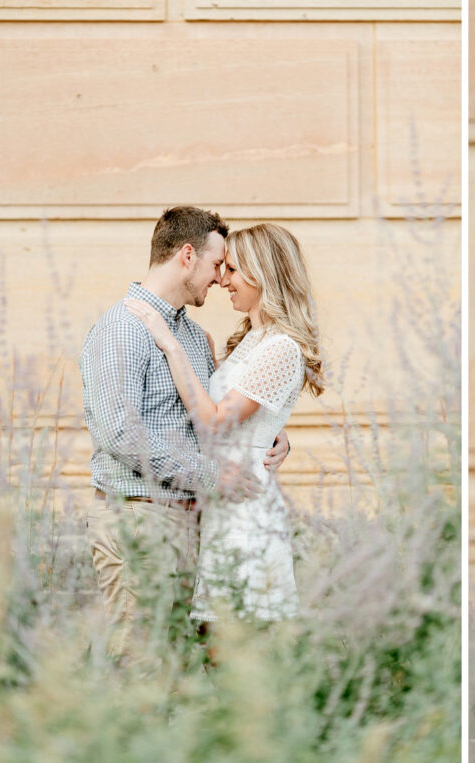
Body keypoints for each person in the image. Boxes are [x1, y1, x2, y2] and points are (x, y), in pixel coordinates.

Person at [80, 206, 290, 665]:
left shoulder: (194, 338)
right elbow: (120, 433)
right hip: (140, 520)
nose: (220, 279)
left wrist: (270, 436)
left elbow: (217, 415)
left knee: (181, 671)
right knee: (141, 666)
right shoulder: (123, 329)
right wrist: (214, 477)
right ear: (188, 256)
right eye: (219, 265)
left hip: (196, 523)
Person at [125, 222, 324, 623]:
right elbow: (246, 406)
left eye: (232, 270)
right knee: (213, 635)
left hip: (245, 506)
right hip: (221, 497)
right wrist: (269, 428)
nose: (222, 280)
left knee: (236, 634)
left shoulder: (282, 346)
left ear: (261, 274)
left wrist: (170, 345)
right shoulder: (253, 338)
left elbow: (216, 421)